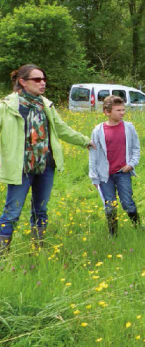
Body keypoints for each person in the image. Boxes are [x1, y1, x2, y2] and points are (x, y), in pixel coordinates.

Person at [0, 65, 94, 254]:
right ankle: (3, 252)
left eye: (43, 79)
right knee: (12, 212)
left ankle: (37, 249)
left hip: (45, 166)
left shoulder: (46, 105)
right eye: (37, 80)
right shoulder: (6, 106)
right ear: (22, 82)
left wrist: (85, 141)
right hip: (20, 168)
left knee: (40, 210)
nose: (42, 83)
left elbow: (61, 129)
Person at [89, 95, 141, 236]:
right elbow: (93, 154)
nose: (122, 113)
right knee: (110, 206)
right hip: (105, 175)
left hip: (123, 172)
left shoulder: (129, 128)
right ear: (107, 112)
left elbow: (136, 148)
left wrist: (131, 164)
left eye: (123, 110)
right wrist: (94, 176)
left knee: (127, 202)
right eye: (118, 110)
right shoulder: (98, 131)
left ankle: (138, 226)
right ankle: (113, 234)